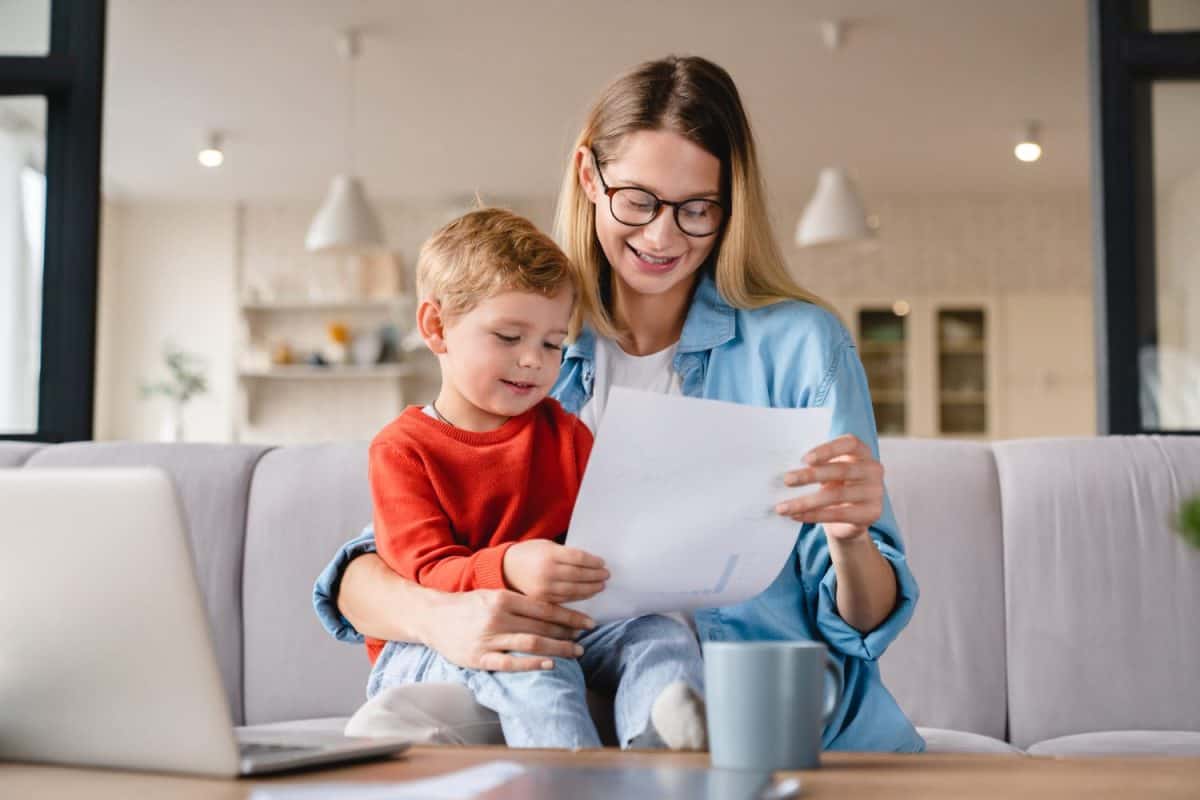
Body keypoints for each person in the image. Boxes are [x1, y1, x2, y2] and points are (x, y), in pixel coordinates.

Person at [314, 55, 925, 753]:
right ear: (588, 178)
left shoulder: (799, 347)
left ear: (732, 206)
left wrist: (849, 538)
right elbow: (373, 568)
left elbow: (864, 618)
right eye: (638, 201)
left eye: (698, 209)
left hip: (736, 696)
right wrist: (442, 618)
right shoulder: (536, 336)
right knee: (403, 718)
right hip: (565, 678)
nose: (663, 237)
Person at [362, 207, 706, 750]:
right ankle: (572, 781)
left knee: (659, 633)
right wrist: (510, 565)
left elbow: (610, 530)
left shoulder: (566, 433)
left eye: (551, 344)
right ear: (436, 327)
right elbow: (424, 571)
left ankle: (657, 739)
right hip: (440, 643)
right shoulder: (402, 449)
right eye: (508, 336)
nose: (532, 361)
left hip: (560, 621)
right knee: (535, 662)